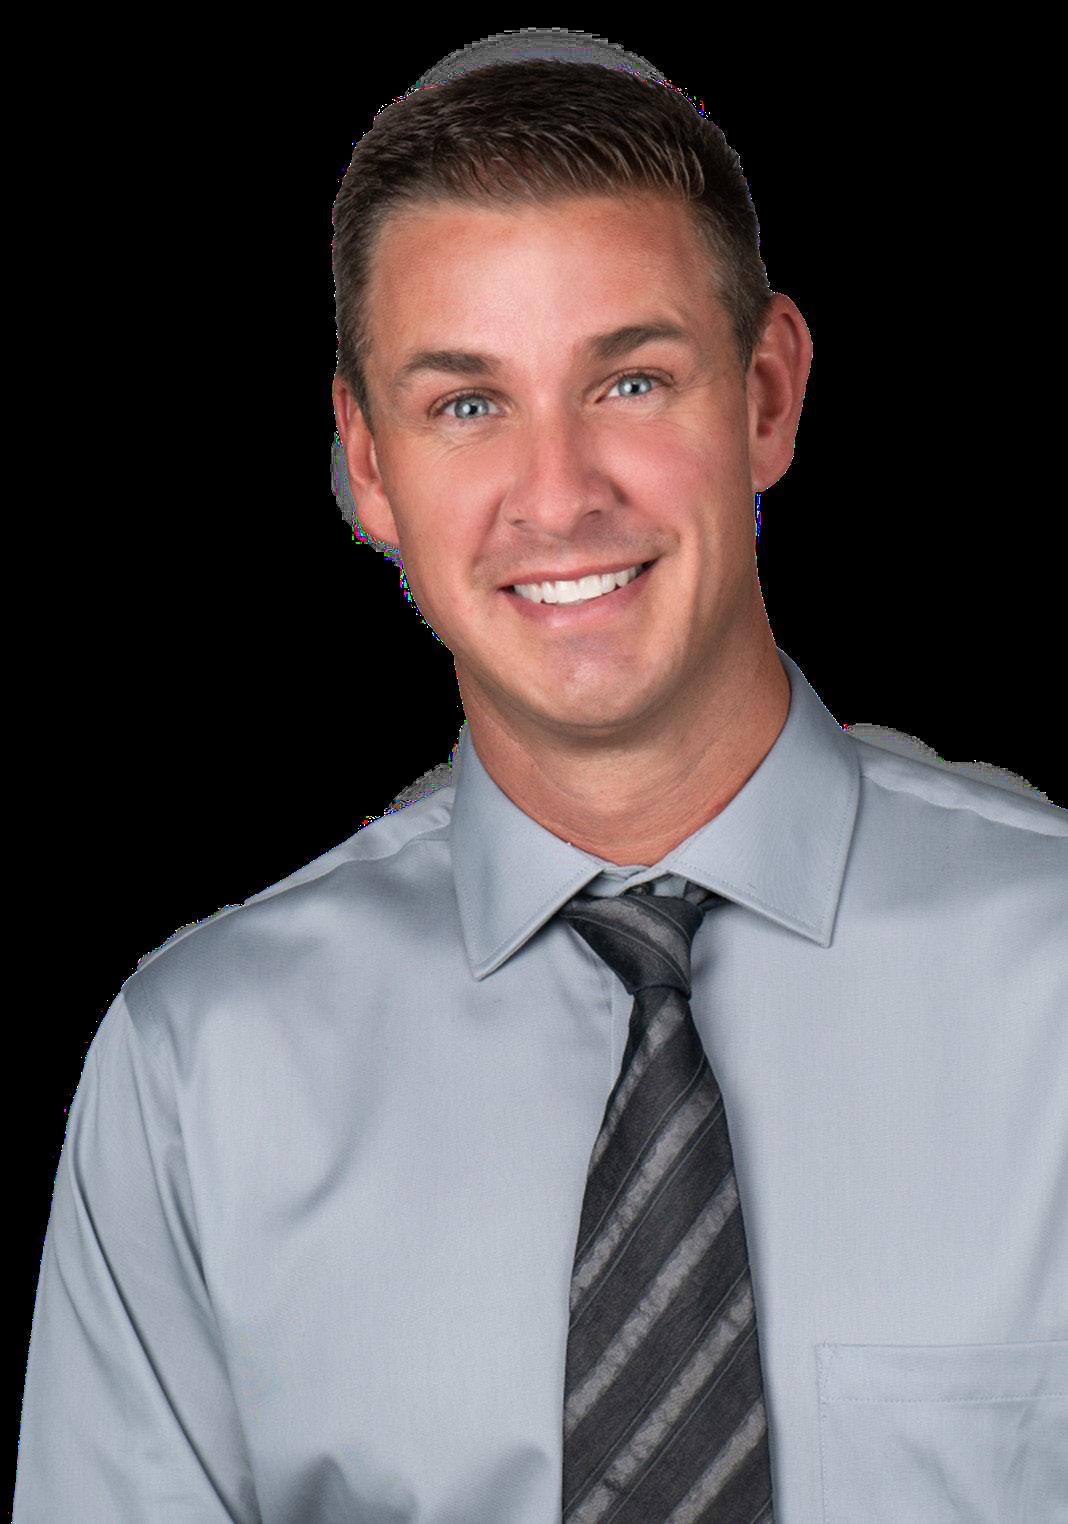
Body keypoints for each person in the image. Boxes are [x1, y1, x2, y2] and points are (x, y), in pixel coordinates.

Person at [14, 30, 1067, 1523]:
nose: (559, 496)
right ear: (367, 463)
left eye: (630, 382)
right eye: (467, 403)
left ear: (767, 395)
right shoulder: (200, 1074)